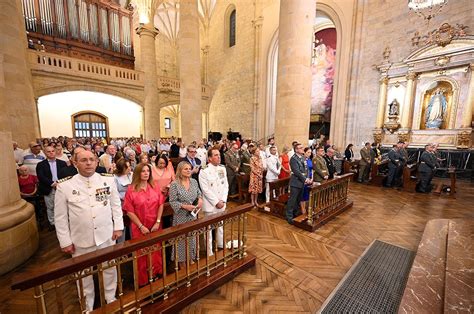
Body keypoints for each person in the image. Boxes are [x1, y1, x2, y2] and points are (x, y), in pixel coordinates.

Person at [54, 150, 123, 312]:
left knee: (110, 269)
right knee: (83, 275)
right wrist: (65, 241)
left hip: (106, 235)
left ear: (97, 162)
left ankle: (110, 297)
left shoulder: (107, 180)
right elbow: (60, 218)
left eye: (92, 159)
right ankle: (87, 305)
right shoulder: (65, 186)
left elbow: (115, 205)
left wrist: (118, 227)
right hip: (81, 239)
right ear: (75, 163)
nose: (88, 163)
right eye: (84, 160)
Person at [123, 163, 164, 286]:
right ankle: (144, 280)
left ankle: (156, 274)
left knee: (156, 251)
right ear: (138, 173)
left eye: (148, 171)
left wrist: (157, 221)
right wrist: (141, 226)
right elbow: (129, 210)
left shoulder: (154, 186)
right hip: (139, 227)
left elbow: (161, 204)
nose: (146, 173)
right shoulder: (131, 189)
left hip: (155, 225)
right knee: (141, 254)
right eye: (143, 171)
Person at [169, 161, 203, 268]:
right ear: (180, 170)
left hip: (192, 216)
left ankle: (191, 258)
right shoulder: (175, 184)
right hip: (180, 217)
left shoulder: (194, 181)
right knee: (181, 241)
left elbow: (199, 193)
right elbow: (172, 201)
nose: (188, 170)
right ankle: (181, 263)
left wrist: (200, 200)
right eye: (185, 169)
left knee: (192, 238)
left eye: (189, 168)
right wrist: (184, 206)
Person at [199, 148, 228, 256]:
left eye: (219, 155)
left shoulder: (222, 169)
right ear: (210, 158)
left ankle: (220, 244)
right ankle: (209, 251)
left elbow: (226, 186)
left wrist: (223, 200)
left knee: (220, 226)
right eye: (216, 155)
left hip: (221, 203)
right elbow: (205, 189)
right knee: (209, 230)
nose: (219, 157)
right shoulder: (204, 171)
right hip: (211, 205)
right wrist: (216, 202)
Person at [36, 145, 68, 229]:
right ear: (44, 153)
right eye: (48, 151)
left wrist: (59, 183)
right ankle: (52, 223)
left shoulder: (62, 163)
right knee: (50, 207)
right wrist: (52, 184)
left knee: (63, 205)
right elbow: (41, 176)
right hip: (48, 188)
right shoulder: (41, 164)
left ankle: (63, 222)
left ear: (55, 151)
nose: (51, 153)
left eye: (52, 151)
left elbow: (66, 175)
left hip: (61, 187)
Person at [285, 143, 310, 224]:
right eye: (300, 148)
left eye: (302, 147)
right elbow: (296, 171)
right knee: (292, 200)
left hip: (302, 182)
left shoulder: (302, 157)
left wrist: (308, 178)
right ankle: (289, 216)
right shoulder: (293, 159)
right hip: (295, 183)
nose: (302, 149)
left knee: (298, 200)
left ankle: (295, 214)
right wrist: (305, 179)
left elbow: (306, 169)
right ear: (296, 150)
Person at [113, 158, 132, 243]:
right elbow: (114, 192)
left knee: (132, 223)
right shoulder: (115, 177)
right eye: (127, 167)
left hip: (132, 203)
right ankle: (121, 244)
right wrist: (125, 197)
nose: (129, 168)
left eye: (129, 166)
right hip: (121, 203)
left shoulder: (131, 174)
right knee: (122, 224)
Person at [301, 147, 313, 214]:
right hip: (304, 179)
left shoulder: (309, 159)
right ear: (304, 152)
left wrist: (312, 178)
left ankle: (306, 208)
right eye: (308, 152)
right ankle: (303, 210)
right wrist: (306, 179)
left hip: (310, 178)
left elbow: (312, 170)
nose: (309, 154)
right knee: (303, 195)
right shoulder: (302, 160)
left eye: (310, 152)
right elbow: (302, 171)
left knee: (307, 194)